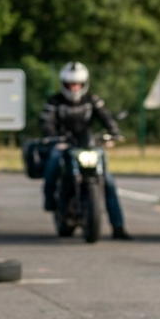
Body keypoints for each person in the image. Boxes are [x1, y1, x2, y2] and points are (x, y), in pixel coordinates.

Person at [40, 61, 132, 240]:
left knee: (109, 182)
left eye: (77, 84)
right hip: (64, 145)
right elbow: (46, 122)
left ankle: (118, 226)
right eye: (70, 84)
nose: (74, 88)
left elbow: (105, 116)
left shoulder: (92, 100)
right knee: (52, 163)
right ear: (64, 84)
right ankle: (50, 199)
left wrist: (114, 134)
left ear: (83, 84)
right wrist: (53, 137)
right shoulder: (54, 102)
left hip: (89, 145)